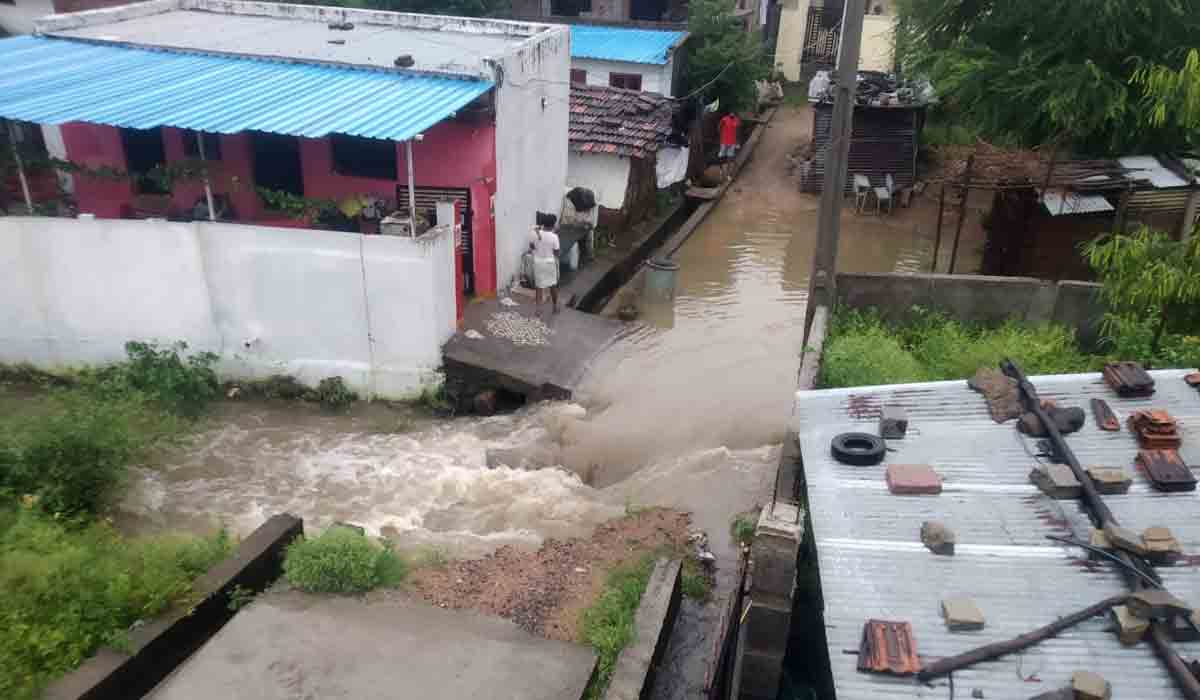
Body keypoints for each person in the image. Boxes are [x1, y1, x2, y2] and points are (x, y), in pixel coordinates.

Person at [529, 214, 561, 312]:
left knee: (539, 287)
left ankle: (538, 309)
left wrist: (538, 249)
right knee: (553, 286)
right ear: (553, 225)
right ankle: (555, 307)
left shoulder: (535, 233)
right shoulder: (554, 237)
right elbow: (557, 252)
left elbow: (531, 246)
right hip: (549, 263)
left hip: (538, 263)